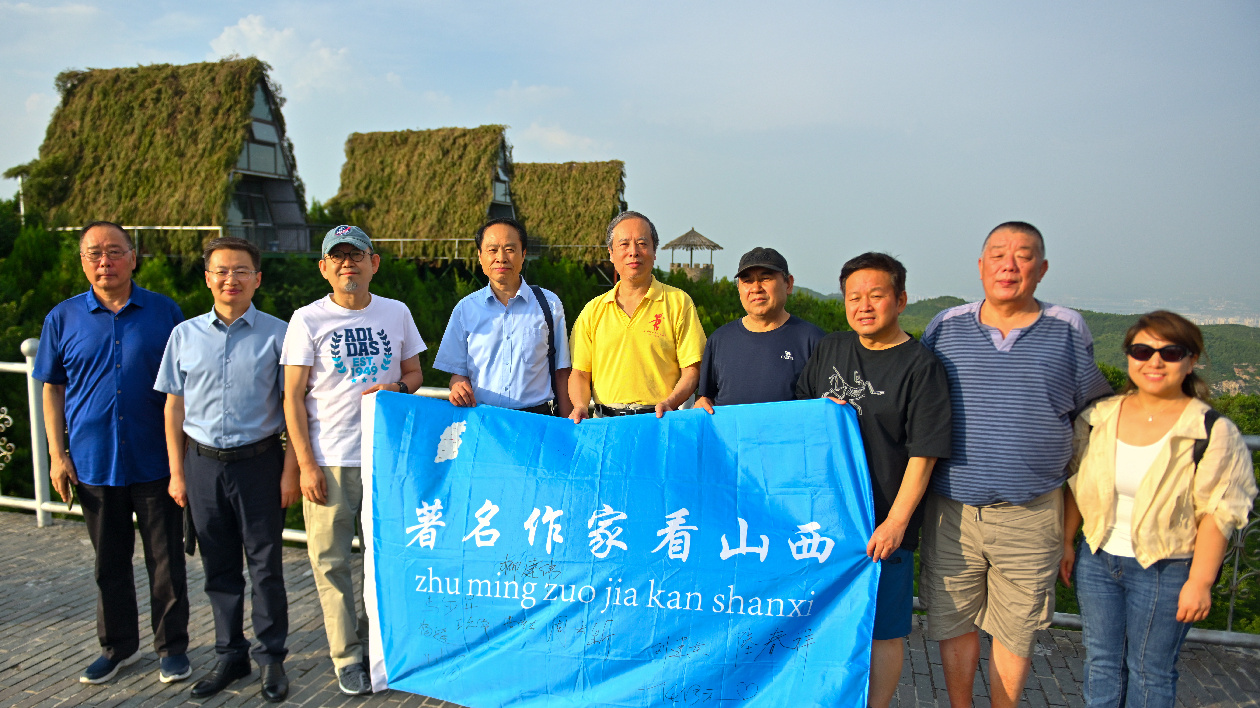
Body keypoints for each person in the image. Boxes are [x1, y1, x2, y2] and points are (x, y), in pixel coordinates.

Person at [919, 222, 1114, 708]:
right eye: (998, 254)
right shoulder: (945, 327)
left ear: (1041, 269)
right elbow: (916, 402)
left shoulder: (1067, 330)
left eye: (1023, 256)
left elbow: (1094, 419)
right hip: (951, 511)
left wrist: (1070, 530)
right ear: (980, 266)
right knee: (954, 620)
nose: (1009, 265)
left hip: (1032, 513)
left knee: (1017, 629)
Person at [1061, 311, 1257, 707]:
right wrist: (1067, 541)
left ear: (1191, 360)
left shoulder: (1211, 431)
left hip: (1167, 567)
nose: (1155, 361)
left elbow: (1218, 513)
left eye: (1170, 352)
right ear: (1128, 356)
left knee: (1150, 670)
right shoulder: (1099, 417)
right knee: (1101, 663)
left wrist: (1200, 582)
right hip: (1098, 559)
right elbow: (1077, 482)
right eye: (1142, 351)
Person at [33, 221, 191, 685]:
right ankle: (118, 647)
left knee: (166, 562)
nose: (105, 262)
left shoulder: (165, 312)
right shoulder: (62, 318)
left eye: (115, 251)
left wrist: (184, 460)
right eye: (94, 253)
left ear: (133, 257)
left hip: (156, 459)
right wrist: (57, 454)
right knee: (110, 564)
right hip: (94, 461)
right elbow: (52, 388)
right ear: (83, 262)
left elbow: (185, 386)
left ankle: (172, 648)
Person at [795, 252, 952, 708]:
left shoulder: (921, 367)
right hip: (824, 520)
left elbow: (924, 455)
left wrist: (897, 523)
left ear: (900, 300)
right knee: (822, 621)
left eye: (876, 295)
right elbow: (800, 412)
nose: (864, 305)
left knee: (883, 631)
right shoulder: (831, 349)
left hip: (880, 525)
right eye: (854, 297)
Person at [281, 225, 426, 696]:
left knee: (386, 559)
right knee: (332, 564)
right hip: (330, 460)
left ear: (373, 263)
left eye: (357, 255)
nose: (348, 263)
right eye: (338, 256)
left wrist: (397, 387)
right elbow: (292, 397)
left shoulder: (396, 312)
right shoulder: (306, 319)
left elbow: (414, 372)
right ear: (324, 268)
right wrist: (305, 465)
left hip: (385, 460)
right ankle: (346, 657)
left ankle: (380, 646)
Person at [154, 237, 298, 702]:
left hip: (260, 464)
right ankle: (230, 655)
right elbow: (173, 408)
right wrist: (177, 473)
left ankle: (271, 658)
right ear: (207, 278)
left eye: (241, 271)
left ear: (257, 279)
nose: (230, 279)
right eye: (221, 271)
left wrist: (290, 471)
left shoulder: (280, 334)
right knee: (218, 568)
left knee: (265, 567)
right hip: (201, 466)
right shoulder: (184, 335)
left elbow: (293, 408)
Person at [568, 211, 706, 421]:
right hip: (605, 424)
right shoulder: (593, 310)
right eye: (624, 244)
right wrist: (579, 405)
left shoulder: (678, 302)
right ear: (611, 253)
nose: (633, 252)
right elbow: (580, 373)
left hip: (658, 421)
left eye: (642, 243)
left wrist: (670, 403)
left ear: (654, 251)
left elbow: (692, 370)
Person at [434, 218, 572, 415]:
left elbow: (562, 372)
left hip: (535, 420)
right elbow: (458, 374)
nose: (501, 258)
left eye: (510, 249)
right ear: (480, 256)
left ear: (523, 254)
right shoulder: (465, 310)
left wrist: (568, 427)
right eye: (492, 250)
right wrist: (457, 386)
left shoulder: (549, 305)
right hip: (482, 420)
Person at [694, 247, 822, 411]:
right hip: (731, 429)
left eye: (765, 278)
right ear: (739, 288)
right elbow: (706, 397)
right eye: (747, 281)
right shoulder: (719, 340)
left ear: (788, 284)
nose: (756, 288)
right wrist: (703, 402)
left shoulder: (812, 341)